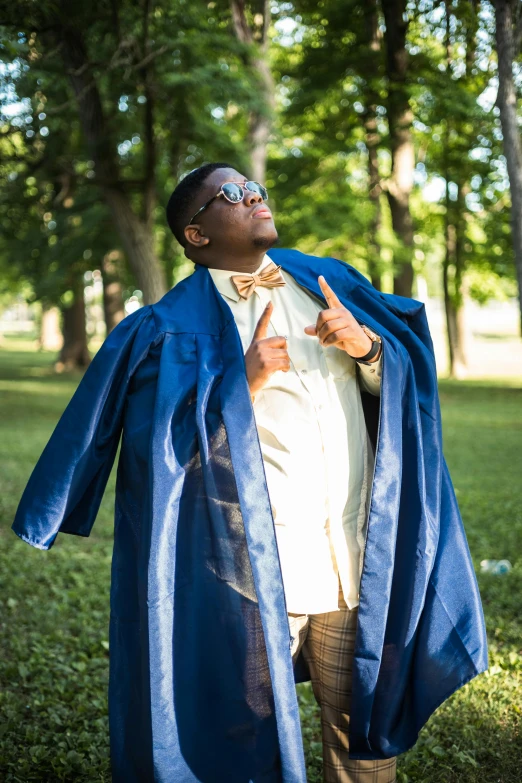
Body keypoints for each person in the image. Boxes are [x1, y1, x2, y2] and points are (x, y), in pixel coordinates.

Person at [12, 162, 487, 783]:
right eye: (231, 195)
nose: (254, 197)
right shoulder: (167, 329)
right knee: (247, 733)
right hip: (252, 571)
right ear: (197, 234)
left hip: (353, 556)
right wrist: (241, 383)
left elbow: (406, 376)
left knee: (360, 734)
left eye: (256, 188)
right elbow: (159, 456)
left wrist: (369, 349)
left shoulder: (329, 282)